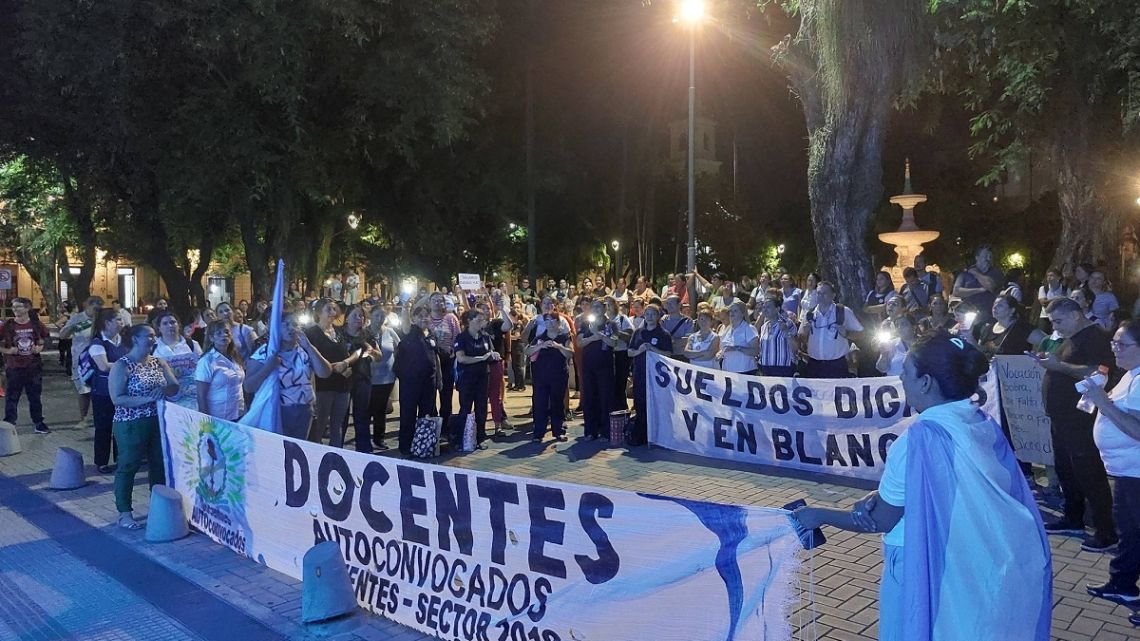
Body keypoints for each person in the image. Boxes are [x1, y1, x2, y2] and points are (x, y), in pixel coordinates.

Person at [791, 333, 1052, 641]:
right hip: (978, 556)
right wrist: (884, 494)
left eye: (906, 373)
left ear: (926, 382)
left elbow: (881, 520)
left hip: (924, 559)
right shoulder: (980, 422)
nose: (901, 380)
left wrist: (818, 516)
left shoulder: (918, 440)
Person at [1032, 297, 1118, 552]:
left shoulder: (1094, 338)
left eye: (1058, 320)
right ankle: (1073, 516)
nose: (1055, 327)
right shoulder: (1070, 338)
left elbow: (1099, 371)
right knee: (1066, 469)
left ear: (1076, 315)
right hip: (1061, 417)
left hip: (1079, 418)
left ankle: (1106, 531)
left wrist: (1060, 365)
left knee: (1089, 472)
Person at [1080, 322, 1140, 615]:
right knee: (1129, 531)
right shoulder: (1130, 375)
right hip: (1126, 472)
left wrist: (1104, 403)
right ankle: (1123, 584)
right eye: (1114, 342)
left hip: (1137, 473)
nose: (1114, 348)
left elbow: (1137, 429)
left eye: (1122, 344)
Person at [108, 324, 180, 529]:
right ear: (136, 339)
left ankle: (158, 506)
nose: (153, 339)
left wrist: (164, 389)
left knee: (159, 464)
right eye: (148, 336)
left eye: (153, 336)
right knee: (128, 465)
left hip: (158, 421)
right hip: (131, 422)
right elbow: (117, 398)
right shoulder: (122, 365)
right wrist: (147, 398)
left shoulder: (158, 362)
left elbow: (174, 386)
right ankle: (124, 512)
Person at [243, 311, 334, 439]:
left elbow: (325, 372)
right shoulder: (264, 353)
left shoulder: (304, 351)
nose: (291, 328)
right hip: (277, 410)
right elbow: (249, 386)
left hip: (303, 410)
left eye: (295, 324)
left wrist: (309, 347)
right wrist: (268, 367)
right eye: (286, 325)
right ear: (276, 329)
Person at [526, 299, 573, 443]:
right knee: (540, 402)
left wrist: (559, 347)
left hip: (558, 374)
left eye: (553, 321)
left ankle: (558, 431)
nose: (550, 324)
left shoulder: (564, 337)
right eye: (547, 321)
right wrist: (540, 346)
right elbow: (528, 351)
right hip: (541, 376)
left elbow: (570, 353)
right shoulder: (540, 337)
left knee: (557, 403)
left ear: (558, 323)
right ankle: (538, 432)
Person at [2, 297, 50, 434]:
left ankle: (38, 422)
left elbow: (45, 338)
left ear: (27, 308)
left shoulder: (36, 324)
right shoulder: (8, 325)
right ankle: (9, 423)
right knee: (12, 397)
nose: (15, 309)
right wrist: (7, 351)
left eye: (18, 307)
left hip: (33, 367)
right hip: (14, 367)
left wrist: (39, 347)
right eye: (13, 307)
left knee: (34, 396)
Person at [453, 309, 498, 449]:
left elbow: (490, 352)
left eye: (482, 320)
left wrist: (493, 355)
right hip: (467, 378)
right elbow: (461, 358)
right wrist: (481, 358)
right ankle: (462, 439)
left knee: (482, 408)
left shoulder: (484, 337)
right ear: (469, 321)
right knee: (465, 408)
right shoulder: (462, 337)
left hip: (483, 377)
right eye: (478, 320)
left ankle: (480, 437)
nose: (481, 323)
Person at [88, 309, 127, 474]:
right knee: (104, 427)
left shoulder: (123, 340)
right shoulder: (98, 343)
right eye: (118, 319)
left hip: (123, 390)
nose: (122, 322)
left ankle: (121, 459)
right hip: (103, 393)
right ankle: (101, 462)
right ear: (107, 323)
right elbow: (103, 366)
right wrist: (127, 364)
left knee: (121, 426)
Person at [627, 304, 672, 445]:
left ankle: (657, 435)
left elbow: (668, 354)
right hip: (640, 373)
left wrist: (653, 349)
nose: (650, 317)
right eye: (647, 314)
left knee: (655, 405)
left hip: (657, 376)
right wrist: (640, 350)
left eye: (653, 314)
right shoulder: (638, 332)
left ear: (658, 316)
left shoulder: (663, 334)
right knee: (640, 403)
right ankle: (641, 434)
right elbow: (630, 352)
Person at [799, 282, 863, 378]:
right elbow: (801, 337)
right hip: (814, 365)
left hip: (837, 366)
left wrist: (846, 334)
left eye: (824, 293)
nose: (820, 296)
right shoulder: (810, 314)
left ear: (833, 295)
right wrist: (805, 332)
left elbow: (861, 334)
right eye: (818, 293)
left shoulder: (843, 311)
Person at [59, 296, 104, 429]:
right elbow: (63, 335)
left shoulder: (102, 319)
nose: (96, 310)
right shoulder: (77, 318)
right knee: (83, 390)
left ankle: (99, 417)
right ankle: (83, 418)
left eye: (99, 308)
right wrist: (73, 326)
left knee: (99, 389)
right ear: (87, 306)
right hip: (81, 359)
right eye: (94, 307)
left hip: (99, 358)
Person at [339, 304, 378, 452]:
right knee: (341, 415)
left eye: (361, 316)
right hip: (344, 379)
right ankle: (338, 447)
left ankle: (363, 448)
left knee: (362, 414)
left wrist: (371, 350)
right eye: (355, 315)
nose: (359, 318)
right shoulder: (339, 334)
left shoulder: (366, 335)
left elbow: (378, 355)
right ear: (346, 318)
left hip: (363, 378)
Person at [194, 320, 245, 421]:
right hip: (219, 416)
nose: (224, 335)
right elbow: (201, 395)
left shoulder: (235, 357)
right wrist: (206, 421)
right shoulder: (206, 361)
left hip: (239, 412)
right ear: (211, 338)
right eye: (219, 333)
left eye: (226, 332)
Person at [577, 300, 614, 440]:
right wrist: (593, 336)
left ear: (605, 309)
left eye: (599, 307)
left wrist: (602, 336)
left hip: (605, 366)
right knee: (589, 397)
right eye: (594, 307)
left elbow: (614, 342)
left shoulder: (611, 324)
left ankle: (605, 431)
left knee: (605, 398)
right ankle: (590, 431)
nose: (596, 309)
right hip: (589, 366)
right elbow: (580, 342)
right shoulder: (586, 323)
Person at [151, 311, 202, 410]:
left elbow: (201, 367)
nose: (170, 326)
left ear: (178, 325)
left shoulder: (192, 344)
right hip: (166, 399)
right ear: (159, 328)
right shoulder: (153, 347)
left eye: (173, 322)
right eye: (165, 323)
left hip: (191, 399)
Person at [366, 304, 400, 451]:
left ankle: (379, 439)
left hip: (387, 378)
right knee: (367, 410)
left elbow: (400, 348)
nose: (379, 319)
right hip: (368, 378)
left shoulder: (390, 332)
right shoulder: (364, 333)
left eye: (382, 316)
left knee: (381, 410)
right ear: (370, 316)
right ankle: (364, 439)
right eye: (376, 316)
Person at [477, 300, 512, 433]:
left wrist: (503, 310)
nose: (487, 311)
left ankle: (499, 424)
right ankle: (481, 427)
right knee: (481, 396)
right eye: (483, 309)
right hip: (479, 364)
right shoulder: (475, 326)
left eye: (488, 308)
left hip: (495, 363)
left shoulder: (495, 323)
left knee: (495, 395)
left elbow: (508, 326)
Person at [952, 245, 1003, 326]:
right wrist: (979, 290)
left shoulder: (995, 272)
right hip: (968, 315)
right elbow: (956, 291)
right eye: (985, 256)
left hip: (988, 316)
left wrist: (975, 272)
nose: (988, 259)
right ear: (977, 257)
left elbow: (990, 286)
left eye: (990, 256)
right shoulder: (964, 274)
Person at [600, 295, 634, 411]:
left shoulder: (622, 318)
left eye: (610, 304)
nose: (608, 307)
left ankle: (621, 410)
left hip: (620, 354)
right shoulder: (601, 320)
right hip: (605, 354)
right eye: (605, 304)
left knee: (620, 383)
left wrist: (617, 332)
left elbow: (630, 335)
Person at [755, 292, 797, 376]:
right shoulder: (764, 327)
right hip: (765, 369)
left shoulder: (788, 323)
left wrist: (787, 332)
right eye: (763, 307)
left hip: (783, 369)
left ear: (777, 309)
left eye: (768, 307)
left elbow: (795, 348)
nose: (765, 310)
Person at [714, 301, 759, 375]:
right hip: (727, 370)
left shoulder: (748, 329)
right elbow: (723, 348)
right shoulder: (727, 329)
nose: (732, 313)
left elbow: (756, 351)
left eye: (735, 311)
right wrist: (719, 353)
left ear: (742, 313)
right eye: (731, 311)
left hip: (745, 371)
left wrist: (737, 348)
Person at [1036, 268, 1068, 334]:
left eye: (1051, 276)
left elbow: (1068, 302)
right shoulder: (1043, 289)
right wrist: (1059, 298)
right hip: (1045, 317)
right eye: (1048, 276)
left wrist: (1051, 301)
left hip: (1060, 317)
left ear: (1058, 278)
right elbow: (1044, 303)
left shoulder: (1066, 289)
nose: (1049, 278)